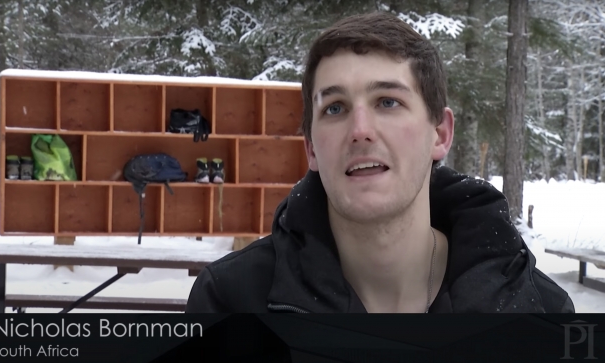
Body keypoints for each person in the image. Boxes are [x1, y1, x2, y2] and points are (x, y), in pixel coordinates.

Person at [185, 12, 574, 313]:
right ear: (312, 149)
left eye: (388, 102)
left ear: (439, 133)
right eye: (335, 108)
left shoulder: (538, 310)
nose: (360, 130)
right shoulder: (231, 300)